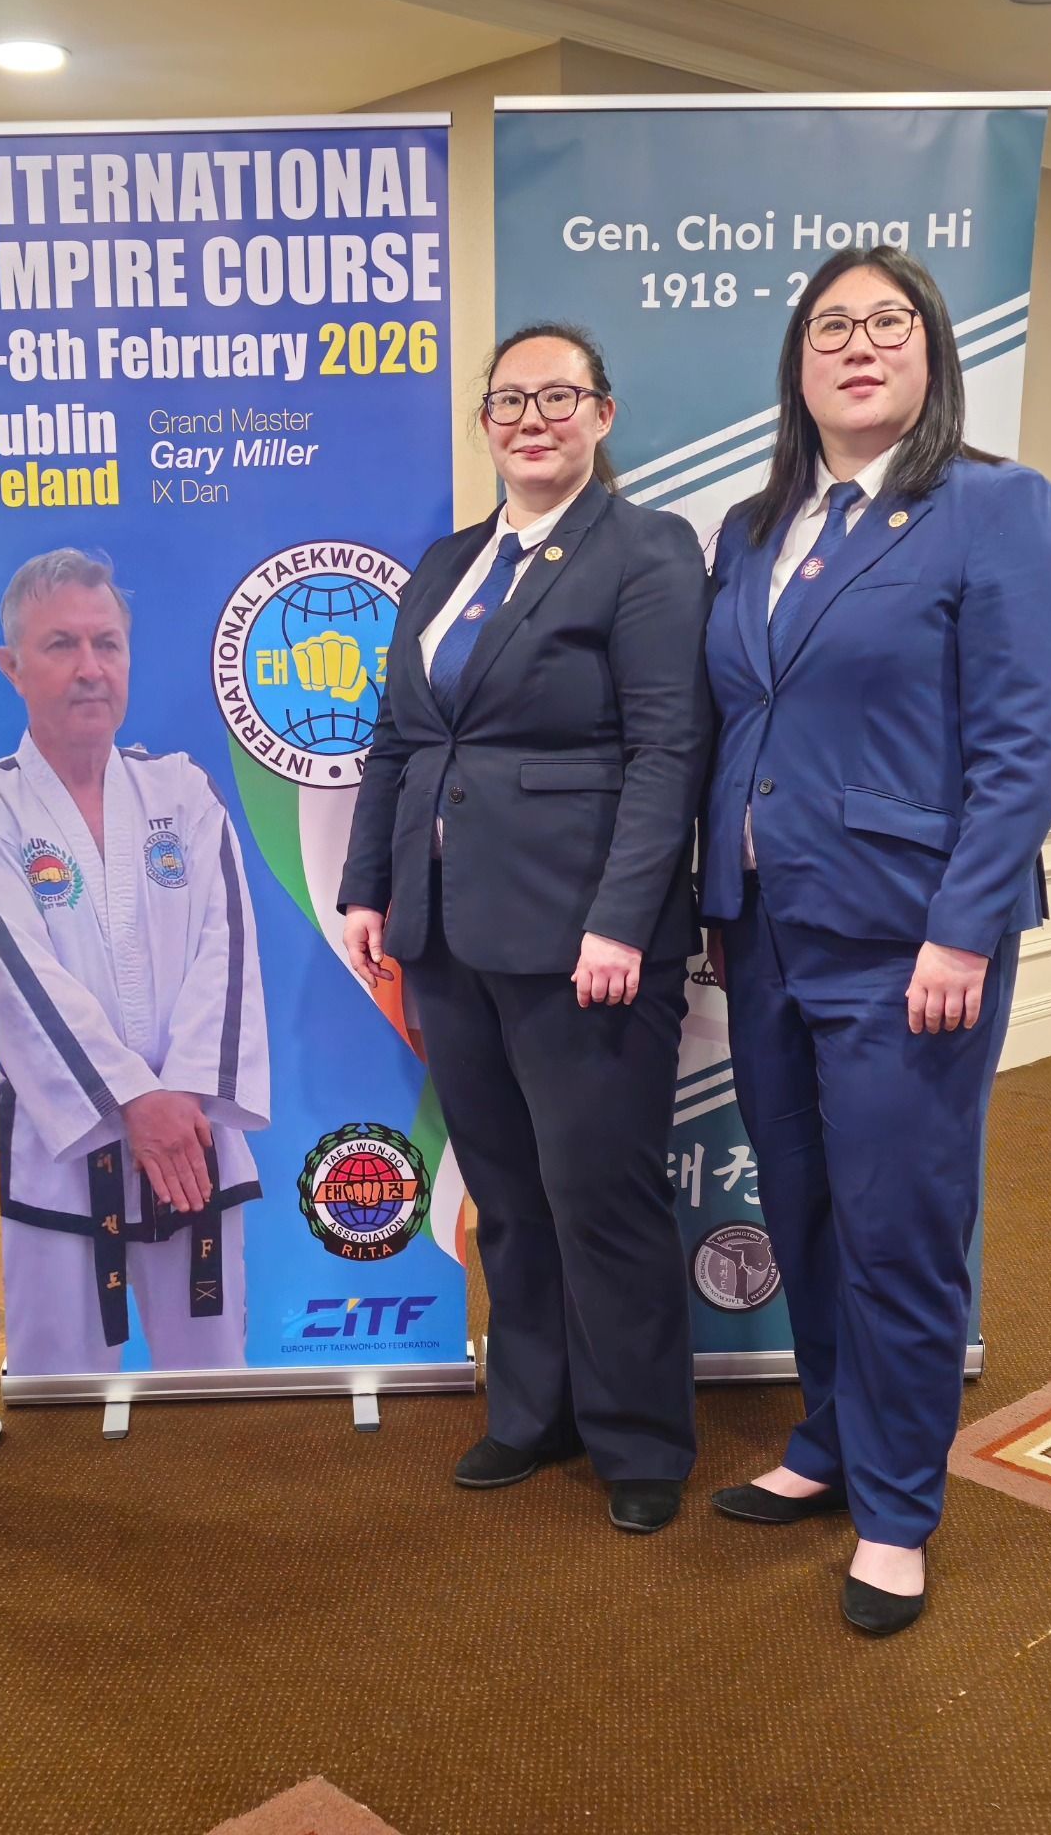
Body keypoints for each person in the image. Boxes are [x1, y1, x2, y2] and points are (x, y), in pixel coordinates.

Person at [701, 246, 1051, 1635]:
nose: (859, 346)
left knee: (902, 1227)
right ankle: (828, 1439)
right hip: (762, 935)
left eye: (889, 324)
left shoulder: (994, 509)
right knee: (798, 1204)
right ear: (798, 365)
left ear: (929, 355)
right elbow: (739, 721)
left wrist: (965, 931)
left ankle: (901, 1507)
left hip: (909, 942)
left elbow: (1025, 739)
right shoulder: (753, 528)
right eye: (831, 327)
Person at [338, 322, 712, 1533]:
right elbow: (399, 741)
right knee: (506, 1191)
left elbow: (668, 752)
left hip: (584, 942)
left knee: (601, 1193)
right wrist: (366, 890)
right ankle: (532, 1410)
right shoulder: (445, 565)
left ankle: (641, 1438)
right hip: (446, 935)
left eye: (560, 397)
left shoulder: (647, 552)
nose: (533, 418)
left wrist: (621, 922)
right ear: (486, 424)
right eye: (509, 401)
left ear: (604, 416)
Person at [0, 550, 268, 1374]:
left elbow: (230, 950)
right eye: (60, 645)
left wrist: (179, 1095)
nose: (89, 669)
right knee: (60, 1390)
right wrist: (129, 1097)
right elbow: (14, 972)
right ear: (12, 666)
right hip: (63, 1145)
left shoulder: (181, 791)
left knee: (214, 1383)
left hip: (189, 1134)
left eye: (107, 644)